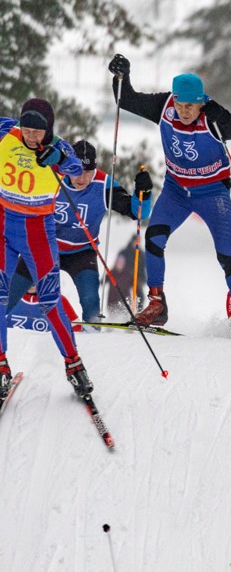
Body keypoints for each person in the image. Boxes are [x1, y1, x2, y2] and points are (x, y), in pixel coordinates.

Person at [106, 54, 231, 340]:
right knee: (153, 238)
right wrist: (121, 77)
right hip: (177, 190)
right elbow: (124, 99)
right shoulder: (164, 106)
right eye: (180, 104)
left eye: (191, 106)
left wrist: (220, 116)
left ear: (201, 102)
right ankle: (157, 303)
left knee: (227, 255)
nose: (184, 111)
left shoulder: (210, 112)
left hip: (212, 192)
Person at [0, 98, 92, 400]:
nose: (30, 136)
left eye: (36, 132)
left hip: (37, 232)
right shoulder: (7, 131)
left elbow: (76, 167)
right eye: (26, 129)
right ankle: (1, 366)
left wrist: (57, 159)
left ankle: (74, 365)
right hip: (3, 224)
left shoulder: (59, 148)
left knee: (50, 300)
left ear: (48, 129)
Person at [6, 141, 152, 322]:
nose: (82, 178)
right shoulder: (50, 176)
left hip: (81, 252)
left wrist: (143, 194)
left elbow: (138, 213)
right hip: (45, 248)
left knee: (90, 298)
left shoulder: (103, 184)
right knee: (9, 292)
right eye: (76, 171)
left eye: (88, 172)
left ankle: (93, 336)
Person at [7, 285, 82, 334]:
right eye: (27, 277)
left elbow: (76, 328)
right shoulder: (6, 299)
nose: (32, 282)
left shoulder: (58, 300)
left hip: (46, 352)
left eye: (35, 277)